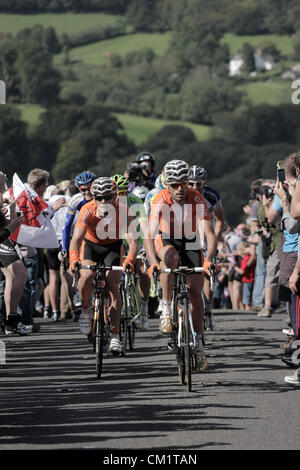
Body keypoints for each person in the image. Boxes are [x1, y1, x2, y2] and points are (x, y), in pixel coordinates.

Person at [145, 160, 217, 372]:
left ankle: (199, 342)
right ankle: (166, 307)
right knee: (169, 258)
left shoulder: (197, 199)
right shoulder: (159, 200)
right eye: (174, 184)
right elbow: (148, 237)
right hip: (167, 239)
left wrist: (209, 260)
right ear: (167, 184)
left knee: (195, 293)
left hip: (192, 242)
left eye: (183, 184)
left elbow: (210, 235)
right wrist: (152, 263)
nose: (179, 189)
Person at [69, 177, 138, 355]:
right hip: (91, 246)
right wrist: (74, 259)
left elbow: (132, 241)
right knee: (87, 276)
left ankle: (115, 336)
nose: (103, 202)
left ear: (115, 196)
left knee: (112, 285)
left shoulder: (123, 211)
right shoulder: (87, 209)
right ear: (93, 198)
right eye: (98, 198)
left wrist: (130, 260)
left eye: (107, 197)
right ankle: (85, 310)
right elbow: (76, 240)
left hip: (113, 247)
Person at [112, 174, 150, 330]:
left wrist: (146, 247)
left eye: (123, 192)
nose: (120, 196)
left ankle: (144, 309)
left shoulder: (135, 200)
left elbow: (144, 224)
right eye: (117, 192)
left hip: (137, 239)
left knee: (143, 270)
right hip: (117, 240)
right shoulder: (106, 202)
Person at [188, 165, 224, 329]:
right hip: (188, 235)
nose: (195, 187)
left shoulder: (211, 195)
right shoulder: (183, 195)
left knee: (207, 272)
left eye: (199, 184)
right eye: (191, 183)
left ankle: (208, 311)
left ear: (205, 183)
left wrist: (213, 242)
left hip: (206, 233)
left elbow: (220, 220)